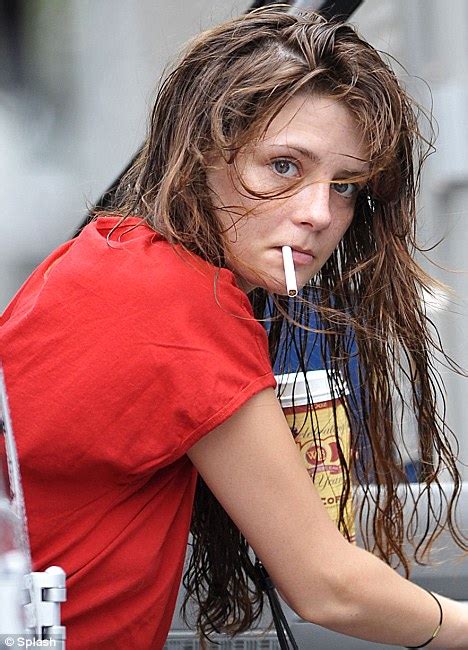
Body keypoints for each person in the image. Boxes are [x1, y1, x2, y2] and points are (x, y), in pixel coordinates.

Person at [1, 6, 468, 649]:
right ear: (205, 155)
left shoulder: (111, 253)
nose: (318, 213)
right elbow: (327, 586)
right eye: (284, 166)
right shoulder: (179, 307)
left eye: (345, 185)